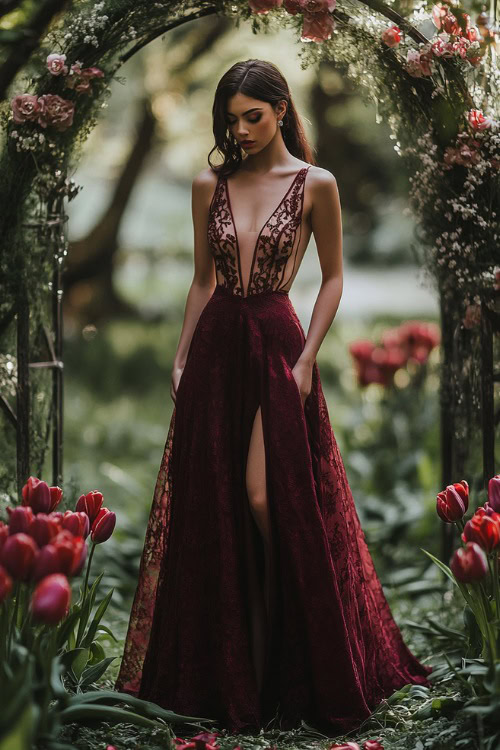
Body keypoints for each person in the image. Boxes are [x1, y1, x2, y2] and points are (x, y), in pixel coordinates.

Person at [115, 58, 432, 735]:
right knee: (219, 503)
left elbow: (336, 278)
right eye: (230, 121)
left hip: (280, 345)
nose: (241, 131)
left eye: (252, 117)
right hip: (218, 349)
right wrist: (179, 357)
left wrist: (308, 357)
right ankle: (241, 674)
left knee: (267, 497)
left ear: (281, 109)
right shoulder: (210, 184)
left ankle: (292, 650)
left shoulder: (317, 184)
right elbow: (203, 281)